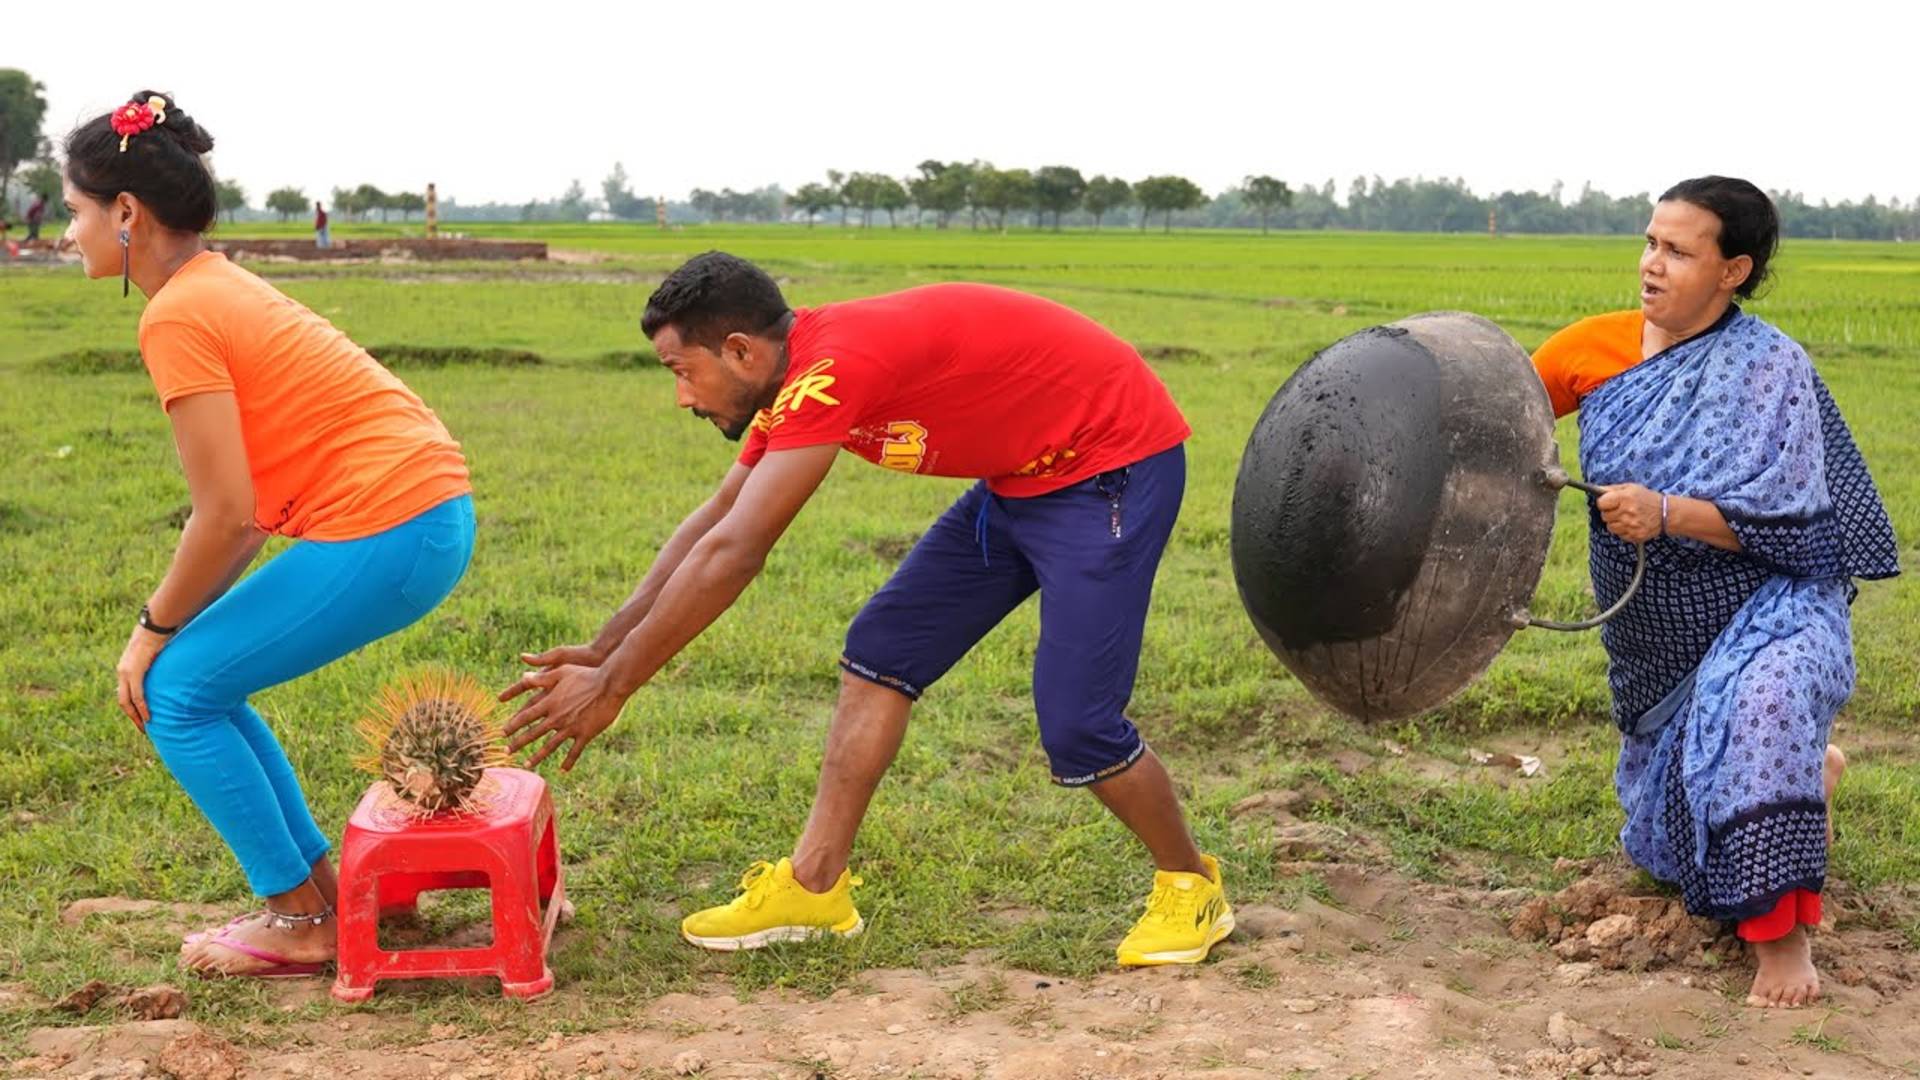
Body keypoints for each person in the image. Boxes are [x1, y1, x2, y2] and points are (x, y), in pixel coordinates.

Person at [502, 252, 1234, 966]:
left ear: (739, 350)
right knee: (882, 650)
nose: (683, 398)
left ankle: (1192, 886)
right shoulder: (795, 376)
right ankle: (815, 890)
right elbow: (718, 518)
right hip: (1020, 482)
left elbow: (738, 552)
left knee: (1079, 724)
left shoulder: (830, 371)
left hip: (1111, 470)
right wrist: (604, 648)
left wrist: (617, 685)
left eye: (681, 372)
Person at [62, 90, 476, 977]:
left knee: (173, 693)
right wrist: (170, 634)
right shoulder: (213, 287)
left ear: (126, 212)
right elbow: (242, 515)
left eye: (74, 212)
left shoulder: (175, 312)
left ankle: (302, 921)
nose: (68, 235)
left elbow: (224, 515)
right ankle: (320, 898)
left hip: (392, 524)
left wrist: (149, 632)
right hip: (422, 515)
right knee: (197, 684)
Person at [1531, 176, 1898, 1008]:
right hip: (1659, 633)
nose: (1651, 265)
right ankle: (1813, 773)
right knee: (1668, 855)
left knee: (1762, 706)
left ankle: (1782, 943)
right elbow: (1498, 429)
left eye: (1678, 250)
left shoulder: (1773, 368)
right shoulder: (1591, 350)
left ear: (1732, 270)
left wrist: (1668, 514)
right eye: (1649, 242)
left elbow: (1804, 527)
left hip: (1777, 606)